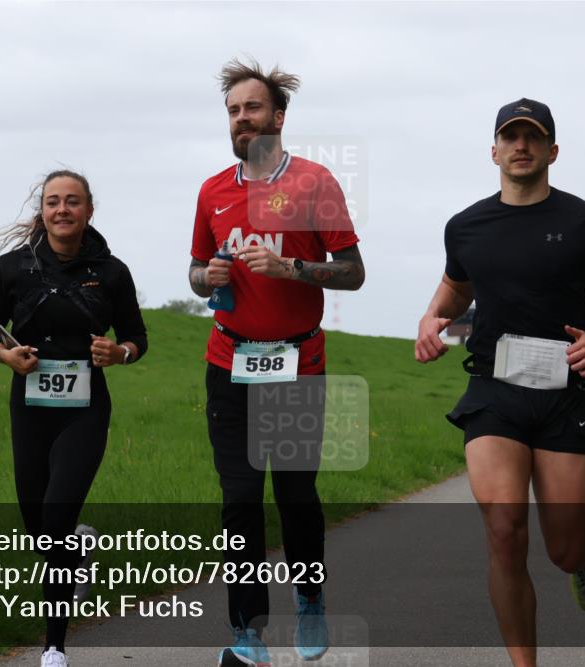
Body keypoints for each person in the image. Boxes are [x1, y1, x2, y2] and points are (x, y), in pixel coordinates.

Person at [415, 98, 585, 667]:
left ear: (552, 151)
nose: (521, 146)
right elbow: (455, 288)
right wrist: (430, 317)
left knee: (562, 549)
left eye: (533, 137)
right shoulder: (465, 225)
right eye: (510, 136)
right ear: (493, 150)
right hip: (495, 390)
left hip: (569, 394)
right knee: (504, 528)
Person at [188, 58, 365, 667]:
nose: (242, 118)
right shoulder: (213, 190)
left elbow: (354, 272)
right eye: (234, 110)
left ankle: (310, 601)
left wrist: (292, 268)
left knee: (294, 495)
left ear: (278, 116)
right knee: (239, 499)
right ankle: (246, 629)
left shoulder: (315, 183)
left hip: (296, 362)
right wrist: (204, 276)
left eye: (253, 107)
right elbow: (195, 271)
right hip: (228, 360)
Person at [0, 170, 148, 667]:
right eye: (53, 202)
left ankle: (53, 647)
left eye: (73, 202)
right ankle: (78, 552)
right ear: (42, 211)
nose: (62, 210)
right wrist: (5, 357)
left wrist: (120, 353)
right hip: (28, 406)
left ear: (90, 210)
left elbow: (137, 337)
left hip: (85, 410)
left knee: (55, 517)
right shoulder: (12, 269)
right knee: (38, 528)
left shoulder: (112, 272)